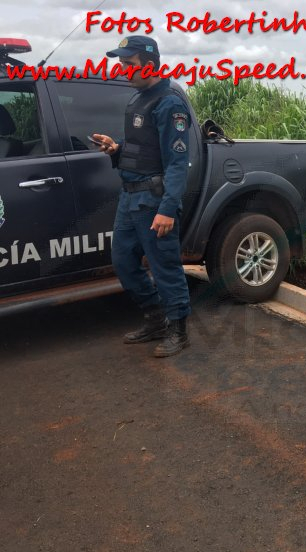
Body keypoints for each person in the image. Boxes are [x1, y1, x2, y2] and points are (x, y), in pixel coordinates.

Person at [92, 35, 192, 358]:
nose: (122, 70)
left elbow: (177, 163)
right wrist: (116, 149)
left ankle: (178, 330)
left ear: (149, 65)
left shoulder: (169, 103)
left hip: (154, 201)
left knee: (165, 268)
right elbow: (141, 147)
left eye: (129, 64)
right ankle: (154, 319)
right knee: (123, 261)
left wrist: (167, 208)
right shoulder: (137, 100)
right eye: (121, 63)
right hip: (130, 198)